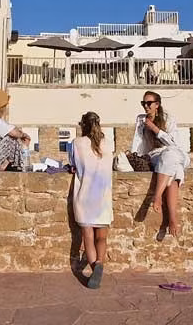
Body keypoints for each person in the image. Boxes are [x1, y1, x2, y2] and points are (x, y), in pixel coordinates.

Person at [131, 91, 190, 236]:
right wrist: (134, 156)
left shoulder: (168, 118)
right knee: (175, 170)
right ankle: (172, 218)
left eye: (149, 103)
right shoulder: (141, 120)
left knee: (171, 154)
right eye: (143, 103)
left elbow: (173, 143)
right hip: (156, 155)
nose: (146, 106)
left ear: (157, 105)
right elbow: (137, 141)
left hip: (177, 153)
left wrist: (155, 129)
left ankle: (157, 196)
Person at [70, 111, 113, 289]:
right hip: (103, 197)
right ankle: (100, 263)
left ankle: (95, 267)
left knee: (88, 236)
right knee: (101, 237)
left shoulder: (77, 143)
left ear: (83, 126)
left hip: (85, 196)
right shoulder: (108, 143)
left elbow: (74, 166)